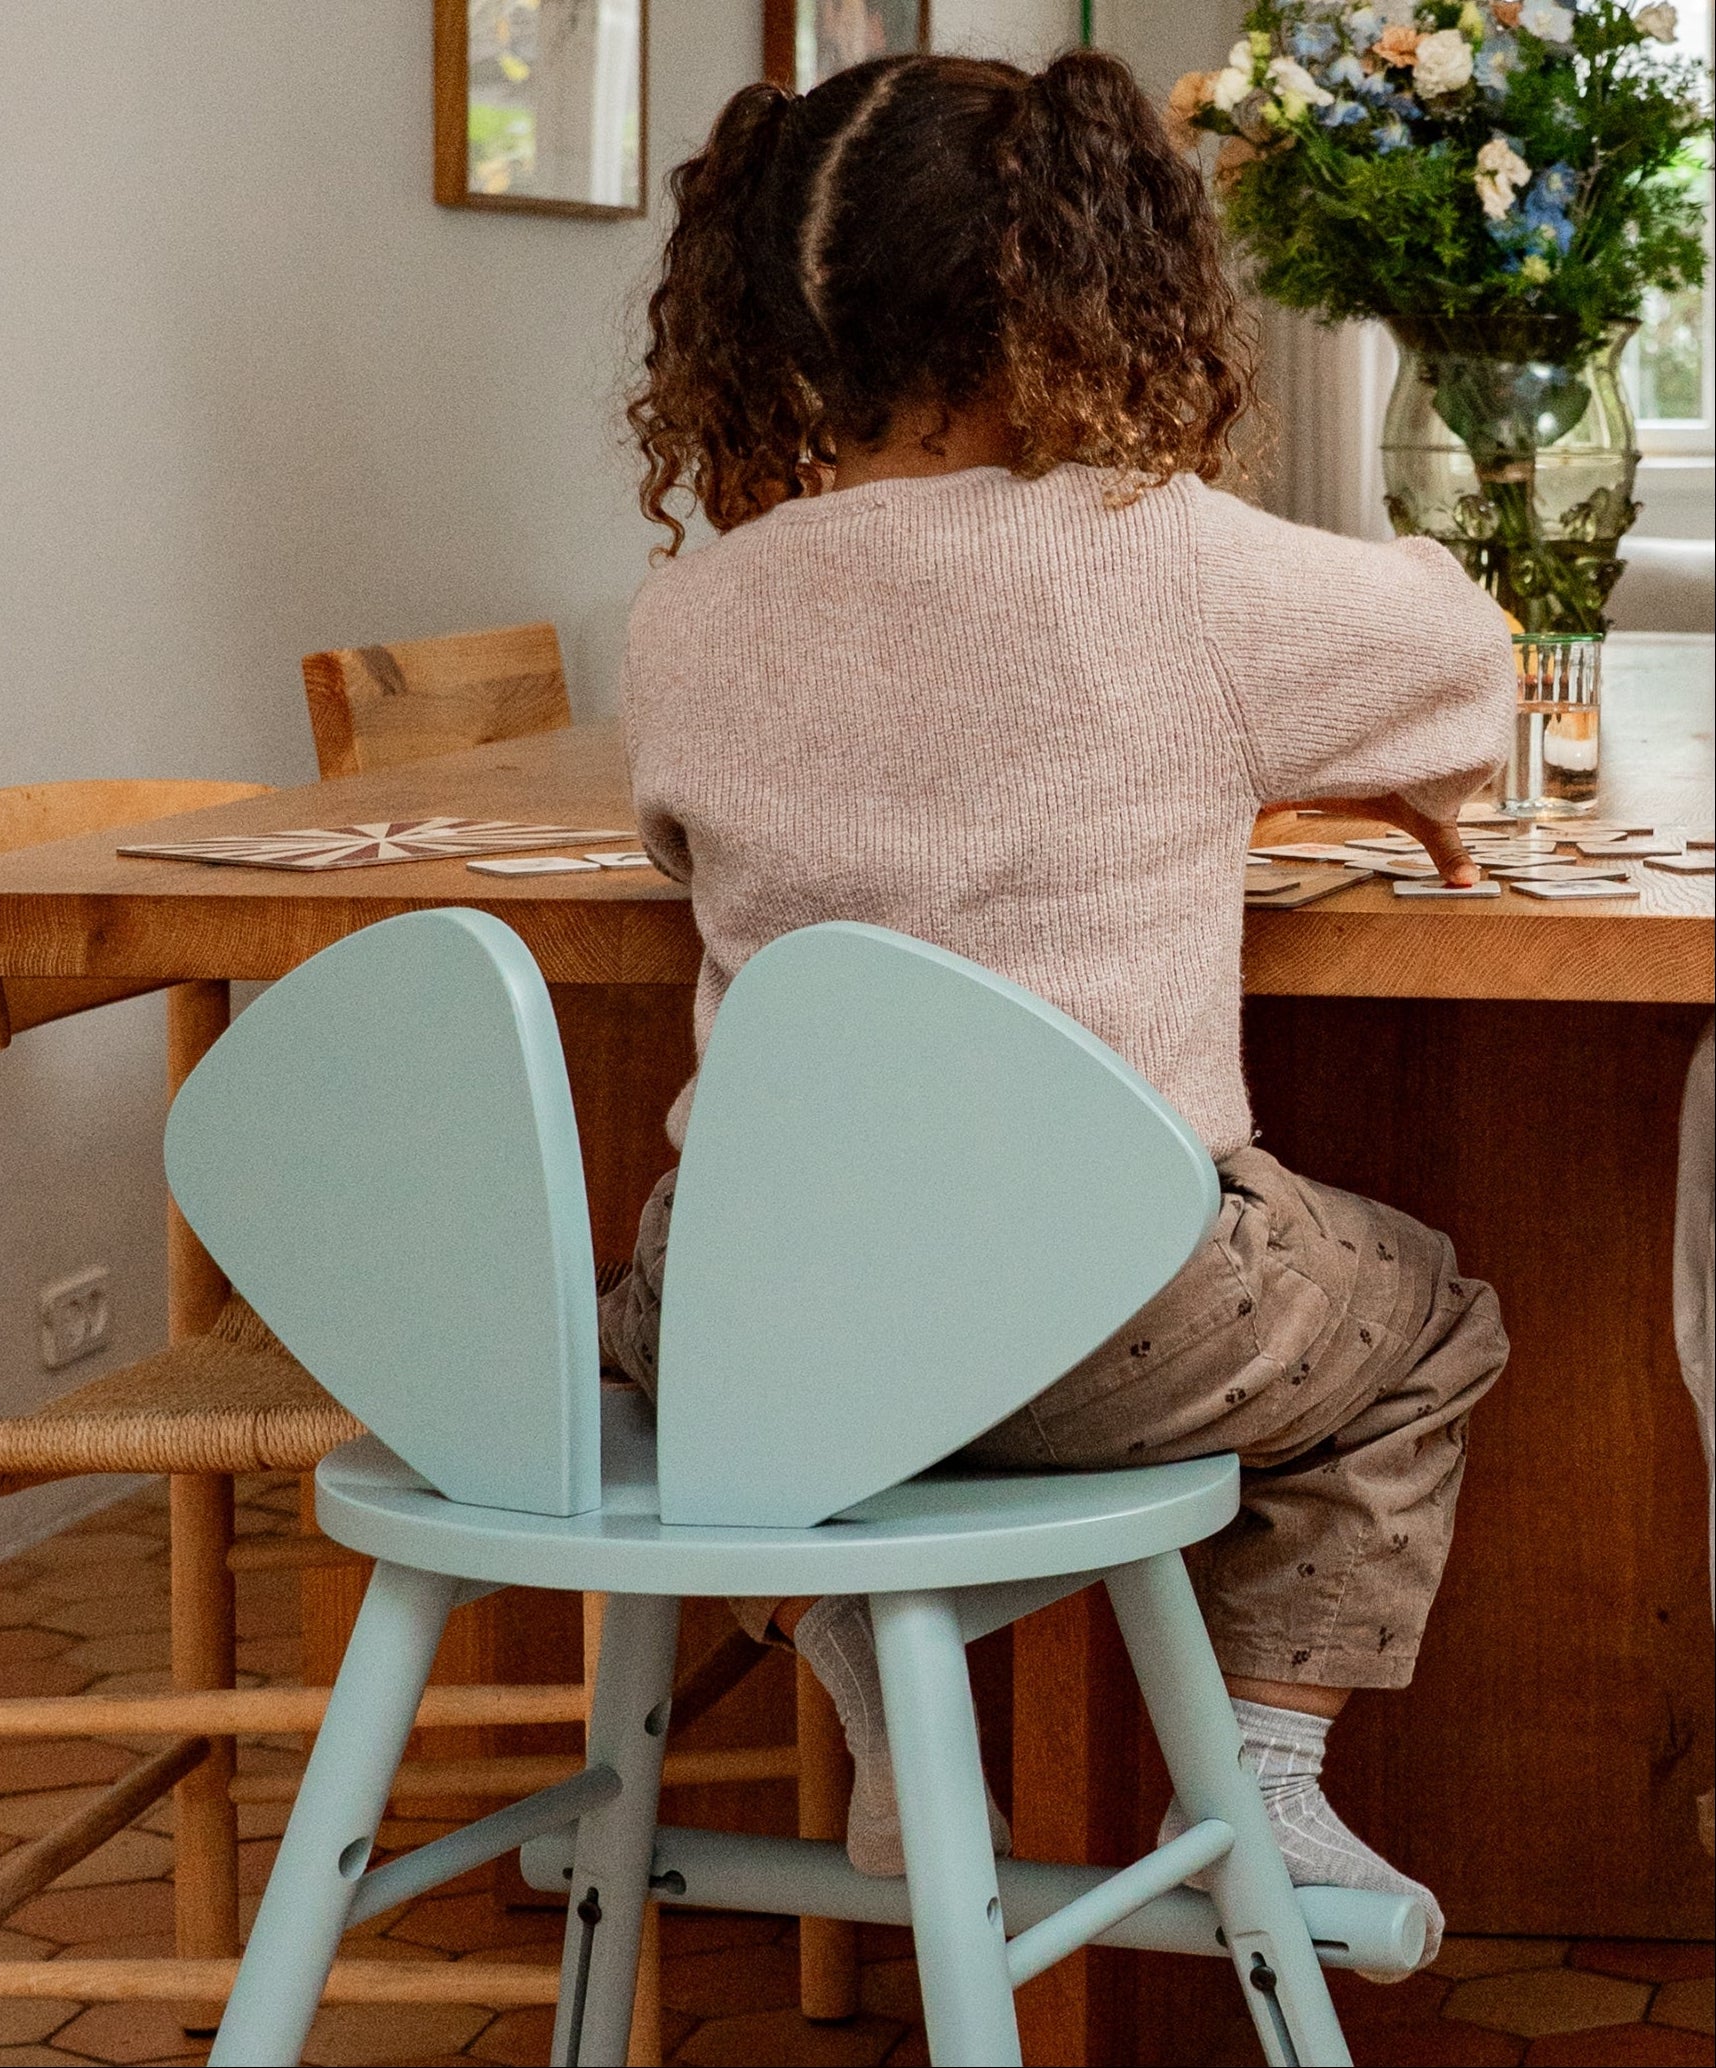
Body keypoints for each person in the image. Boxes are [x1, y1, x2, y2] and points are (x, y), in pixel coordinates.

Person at [598, 49, 1518, 1967]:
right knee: (1429, 1319)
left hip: (749, 1328)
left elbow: (751, 850)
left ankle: (861, 1629)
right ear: (1095, 288)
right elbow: (1470, 667)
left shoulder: (689, 616)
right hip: (1098, 1314)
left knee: (744, 1325)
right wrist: (1281, 751)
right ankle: (1256, 1778)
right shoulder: (1166, 560)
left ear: (768, 310)